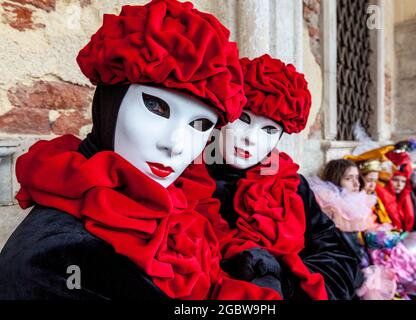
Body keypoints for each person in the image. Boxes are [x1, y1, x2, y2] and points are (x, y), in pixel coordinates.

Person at [0, 0, 280, 300]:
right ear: (109, 103)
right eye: (156, 107)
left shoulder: (172, 202)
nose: (174, 144)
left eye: (199, 124)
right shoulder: (55, 259)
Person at [206, 55, 360, 300]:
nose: (251, 139)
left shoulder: (292, 185)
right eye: (244, 119)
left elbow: (338, 258)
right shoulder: (183, 177)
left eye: (269, 130)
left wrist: (286, 280)